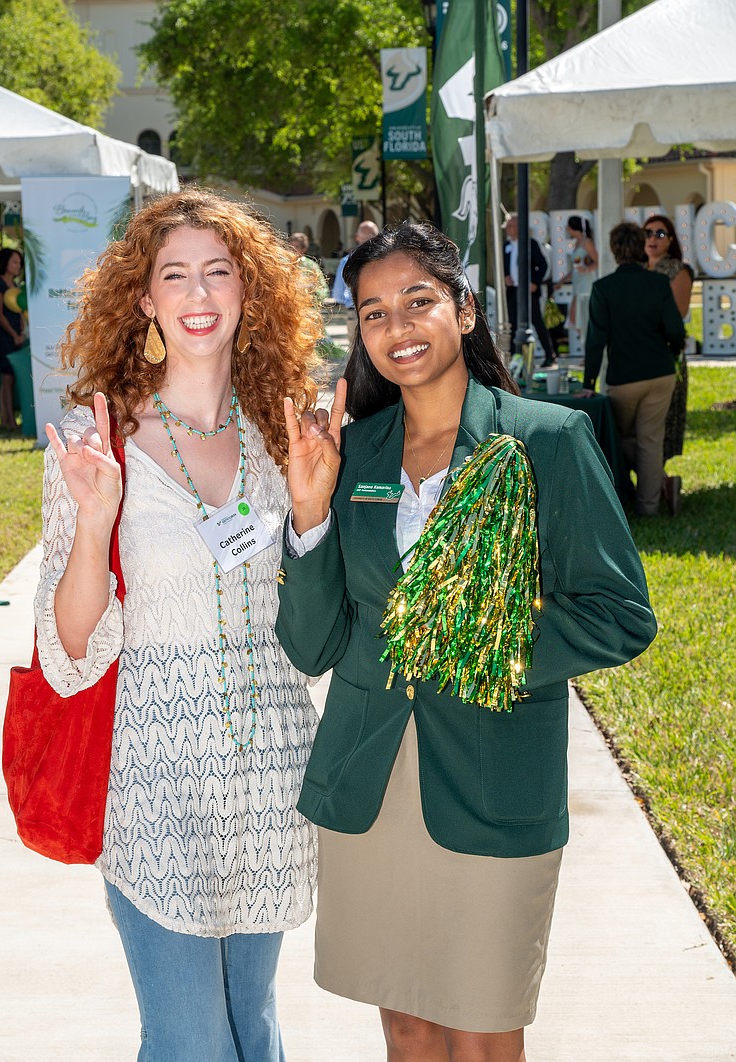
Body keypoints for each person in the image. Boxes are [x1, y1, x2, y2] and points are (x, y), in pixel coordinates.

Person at [277, 221, 657, 1062]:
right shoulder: (354, 452)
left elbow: (618, 613)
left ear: (466, 309)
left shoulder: (545, 441)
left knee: (483, 1030)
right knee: (407, 1027)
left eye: (418, 302)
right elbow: (314, 645)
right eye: (373, 314)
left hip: (493, 781)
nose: (397, 328)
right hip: (367, 782)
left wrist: (474, 644)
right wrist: (307, 514)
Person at [36, 187, 321, 1061]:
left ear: (249, 292)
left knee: (256, 1030)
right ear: (146, 301)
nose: (199, 297)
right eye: (176, 277)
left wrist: (311, 508)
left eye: (218, 274)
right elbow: (72, 650)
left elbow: (315, 619)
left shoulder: (285, 433)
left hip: (271, 771)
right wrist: (94, 522)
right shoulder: (102, 440)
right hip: (154, 775)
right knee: (193, 1041)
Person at [584, 222, 685, 517]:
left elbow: (595, 340)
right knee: (650, 441)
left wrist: (589, 381)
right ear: (641, 246)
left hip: (623, 377)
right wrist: (672, 353)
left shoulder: (602, 288)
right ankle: (649, 505)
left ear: (614, 251)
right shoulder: (658, 283)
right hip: (661, 372)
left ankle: (626, 497)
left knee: (620, 438)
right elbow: (676, 330)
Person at [643, 213, 694, 514]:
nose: (652, 238)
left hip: (666, 357)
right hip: (637, 356)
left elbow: (678, 315)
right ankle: (660, 485)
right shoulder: (635, 270)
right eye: (647, 232)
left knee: (662, 424)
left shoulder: (678, 270)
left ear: (671, 239)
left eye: (660, 233)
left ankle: (661, 486)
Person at [503, 213, 556, 367]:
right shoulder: (506, 245)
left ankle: (550, 355)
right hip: (513, 290)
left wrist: (535, 282)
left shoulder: (530, 243)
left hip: (529, 291)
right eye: (507, 226)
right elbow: (503, 266)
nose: (508, 229)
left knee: (537, 322)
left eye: (512, 225)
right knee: (512, 323)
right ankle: (514, 358)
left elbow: (543, 264)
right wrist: (506, 277)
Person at [331, 219, 380, 344]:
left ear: (357, 237)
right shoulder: (385, 262)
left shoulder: (346, 262)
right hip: (380, 313)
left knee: (355, 353)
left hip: (353, 312)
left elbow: (337, 294)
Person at [0, 248, 23, 432]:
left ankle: (6, 418)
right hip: (5, 336)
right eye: (14, 262)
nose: (17, 265)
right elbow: (0, 315)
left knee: (10, 380)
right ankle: (9, 420)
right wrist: (14, 334)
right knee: (7, 379)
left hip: (17, 335)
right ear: (5, 263)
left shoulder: (16, 284)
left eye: (19, 262)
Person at [560, 215, 598, 341]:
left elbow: (597, 261)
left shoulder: (587, 242)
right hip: (578, 283)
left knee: (581, 317)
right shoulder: (577, 243)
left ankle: (587, 348)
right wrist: (562, 280)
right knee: (574, 318)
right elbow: (575, 269)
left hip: (586, 283)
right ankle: (586, 346)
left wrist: (587, 269)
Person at [289, 231, 329, 305]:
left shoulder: (311, 265)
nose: (293, 249)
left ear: (304, 248)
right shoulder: (284, 264)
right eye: (291, 246)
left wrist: (311, 290)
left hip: (307, 307)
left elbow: (323, 288)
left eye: (297, 247)